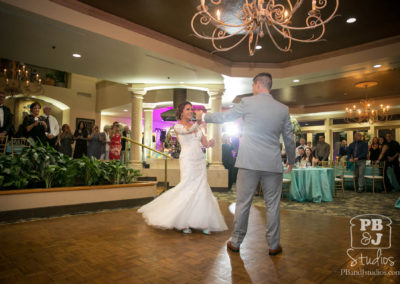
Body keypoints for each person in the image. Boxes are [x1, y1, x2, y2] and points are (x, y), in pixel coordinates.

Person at [196, 72, 295, 255]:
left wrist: (204, 117)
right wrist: (291, 159)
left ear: (257, 84)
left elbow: (226, 118)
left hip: (248, 161)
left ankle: (236, 242)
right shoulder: (282, 109)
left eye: (252, 86)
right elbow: (289, 138)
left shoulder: (247, 103)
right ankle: (273, 245)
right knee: (273, 205)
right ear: (269, 86)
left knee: (243, 204)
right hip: (272, 163)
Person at [138, 101, 227, 234]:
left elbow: (205, 144)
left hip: (199, 160)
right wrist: (198, 121)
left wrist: (211, 143)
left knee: (201, 188)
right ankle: (182, 222)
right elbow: (188, 131)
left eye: (191, 109)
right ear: (181, 112)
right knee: (187, 186)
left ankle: (202, 222)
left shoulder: (197, 126)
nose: (190, 111)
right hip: (188, 159)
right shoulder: (178, 127)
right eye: (187, 109)